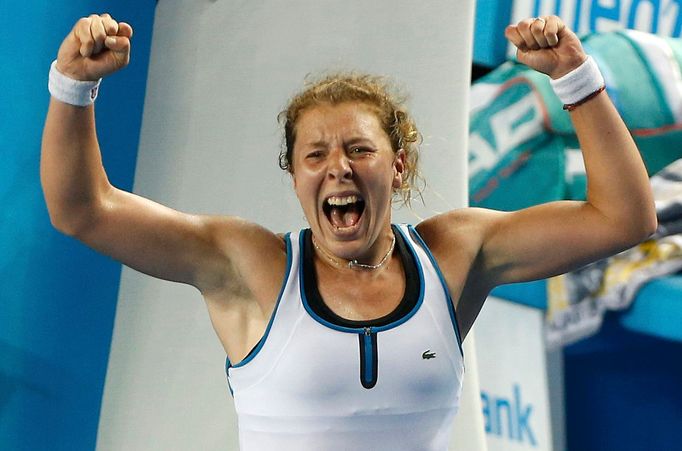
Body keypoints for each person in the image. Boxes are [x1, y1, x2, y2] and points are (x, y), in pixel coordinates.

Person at [41, 13, 656, 450]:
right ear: (295, 176)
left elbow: (624, 218)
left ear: (398, 164)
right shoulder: (247, 264)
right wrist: (73, 87)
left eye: (359, 148)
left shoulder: (457, 253)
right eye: (315, 155)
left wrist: (577, 78)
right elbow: (83, 209)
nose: (337, 166)